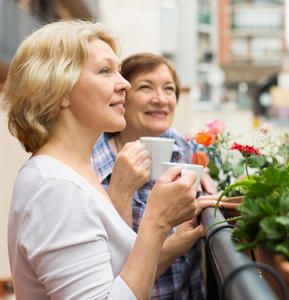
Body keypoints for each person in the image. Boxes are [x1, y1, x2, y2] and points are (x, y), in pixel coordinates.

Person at [3, 20, 199, 300]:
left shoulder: (76, 172)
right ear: (60, 91)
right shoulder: (55, 188)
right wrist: (157, 222)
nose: (125, 84)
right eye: (105, 71)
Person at [91, 53, 216, 299]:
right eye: (146, 87)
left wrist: (207, 169)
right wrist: (170, 248)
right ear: (122, 95)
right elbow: (109, 283)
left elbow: (217, 165)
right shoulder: (93, 165)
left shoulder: (186, 149)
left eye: (169, 89)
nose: (160, 99)